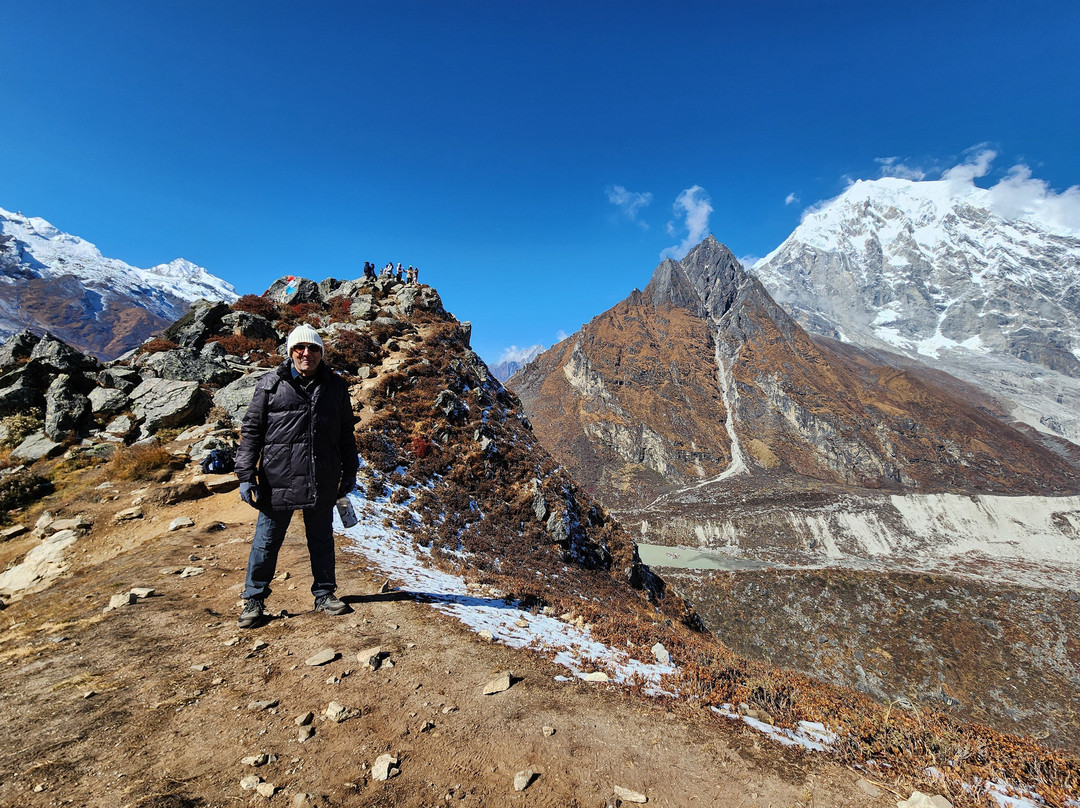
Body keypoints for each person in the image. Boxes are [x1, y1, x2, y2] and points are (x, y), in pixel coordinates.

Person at [234, 324, 359, 628]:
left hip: (322, 475)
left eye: (314, 348)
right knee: (266, 541)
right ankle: (254, 600)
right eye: (300, 348)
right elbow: (251, 431)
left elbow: (346, 434)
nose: (307, 353)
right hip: (279, 478)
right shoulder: (270, 384)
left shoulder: (336, 387)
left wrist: (350, 470)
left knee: (321, 538)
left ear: (321, 353)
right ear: (290, 352)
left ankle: (325, 594)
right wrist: (245, 474)